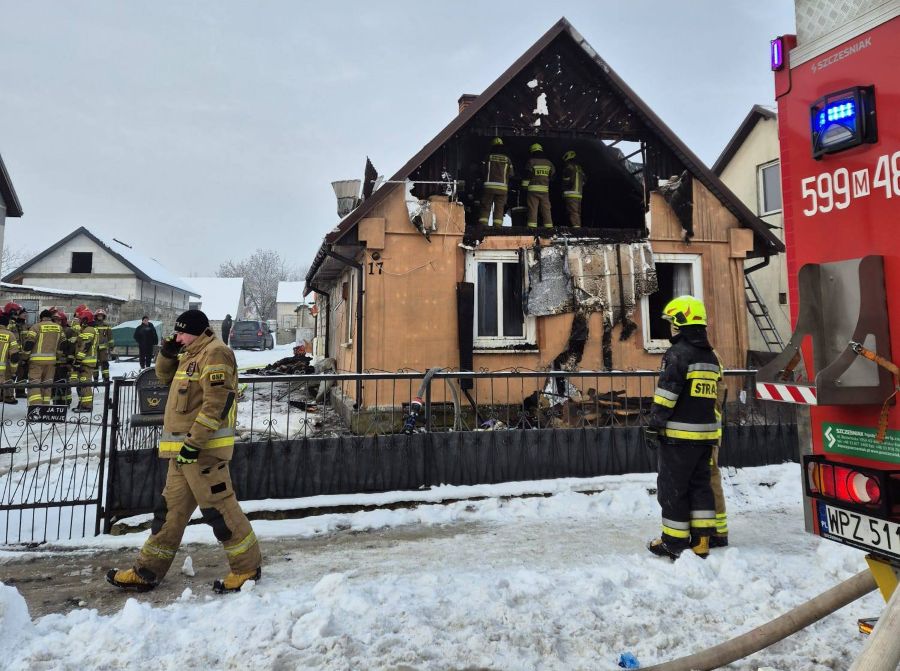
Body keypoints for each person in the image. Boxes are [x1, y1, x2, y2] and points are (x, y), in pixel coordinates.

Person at [107, 309, 262, 594]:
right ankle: (147, 570)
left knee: (221, 510)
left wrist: (193, 444)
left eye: (181, 333)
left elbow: (217, 405)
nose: (177, 337)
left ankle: (246, 569)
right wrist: (167, 351)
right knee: (168, 514)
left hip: (202, 451)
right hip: (182, 453)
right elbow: (163, 377)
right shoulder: (191, 353)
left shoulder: (216, 354)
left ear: (197, 331)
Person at [644, 295, 721, 560]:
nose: (670, 328)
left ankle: (673, 543)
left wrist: (654, 424)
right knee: (700, 487)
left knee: (672, 489)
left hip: (678, 437)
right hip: (705, 437)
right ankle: (701, 542)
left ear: (679, 322)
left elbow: (668, 394)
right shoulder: (710, 356)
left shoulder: (677, 354)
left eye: (671, 323)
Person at [22, 309, 64, 406]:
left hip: (36, 361)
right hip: (51, 361)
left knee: (35, 383)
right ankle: (45, 408)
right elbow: (63, 343)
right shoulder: (59, 328)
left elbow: (29, 343)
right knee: (47, 384)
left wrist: (25, 357)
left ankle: (36, 408)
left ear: (41, 318)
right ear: (51, 317)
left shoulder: (35, 327)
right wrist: (58, 356)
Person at [478, 137, 514, 227]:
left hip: (489, 187)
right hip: (502, 188)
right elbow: (511, 174)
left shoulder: (488, 157)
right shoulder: (507, 159)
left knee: (486, 207)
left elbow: (482, 170)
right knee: (499, 208)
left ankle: (483, 226)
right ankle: (497, 227)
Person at [72, 310, 99, 413]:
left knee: (85, 383)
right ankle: (83, 404)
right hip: (88, 361)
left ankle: (87, 406)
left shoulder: (89, 330)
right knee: (83, 383)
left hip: (86, 361)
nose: (81, 321)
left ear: (85, 319)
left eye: (82, 319)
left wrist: (78, 360)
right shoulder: (91, 329)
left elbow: (85, 346)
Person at [524, 143, 555, 228]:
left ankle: (532, 228)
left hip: (533, 190)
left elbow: (528, 176)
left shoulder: (531, 161)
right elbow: (553, 177)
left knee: (533, 209)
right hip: (544, 191)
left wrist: (524, 187)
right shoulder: (549, 163)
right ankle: (549, 227)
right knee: (546, 209)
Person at [560, 150, 586, 227]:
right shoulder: (579, 168)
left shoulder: (568, 167)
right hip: (579, 194)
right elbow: (584, 180)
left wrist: (563, 189)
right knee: (577, 213)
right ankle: (577, 228)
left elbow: (566, 181)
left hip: (570, 194)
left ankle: (577, 232)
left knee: (573, 213)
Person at [0, 312, 21, 404]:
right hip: (4, 367)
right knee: (8, 380)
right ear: (7, 324)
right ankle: (8, 396)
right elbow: (14, 355)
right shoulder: (10, 335)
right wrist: (13, 370)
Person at [94, 308, 115, 382]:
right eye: (99, 315)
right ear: (96, 316)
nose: (100, 317)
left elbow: (110, 336)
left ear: (103, 316)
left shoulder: (107, 325)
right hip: (94, 348)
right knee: (95, 364)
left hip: (103, 349)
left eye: (101, 315)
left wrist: (111, 345)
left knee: (105, 363)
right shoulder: (93, 325)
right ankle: (95, 379)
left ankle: (106, 378)